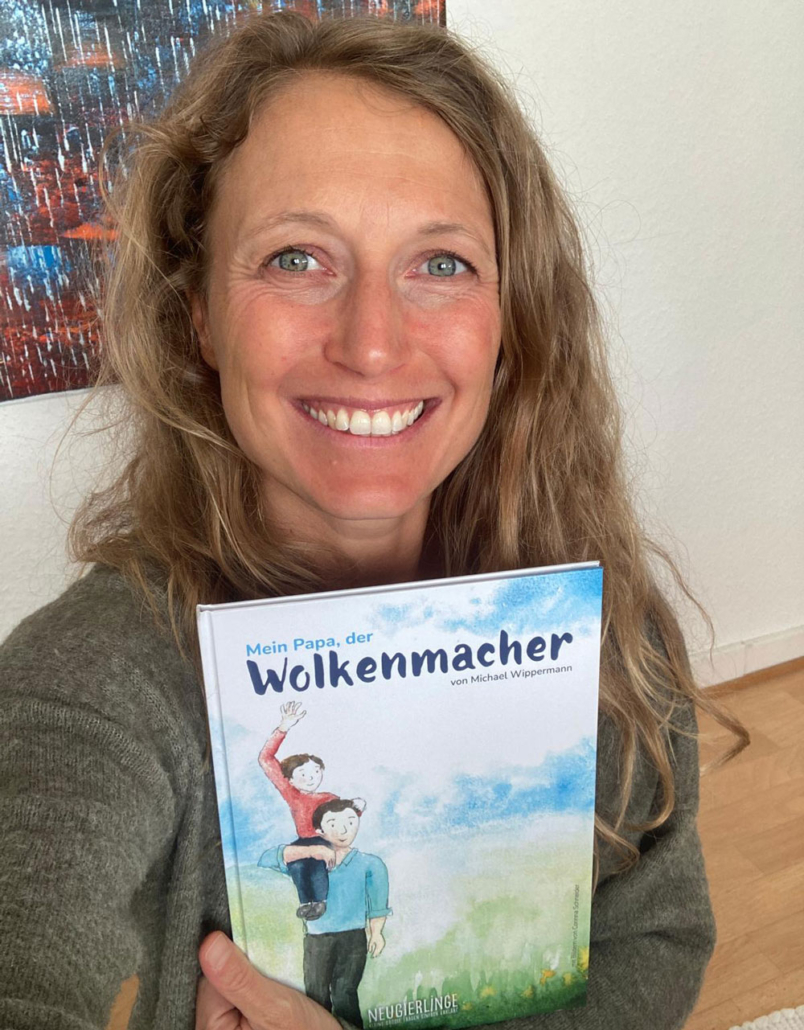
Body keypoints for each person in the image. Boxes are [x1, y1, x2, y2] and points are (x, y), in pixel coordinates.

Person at [0, 10, 748, 1030]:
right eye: (296, 258)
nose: (373, 345)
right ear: (199, 314)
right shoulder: (99, 677)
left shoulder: (610, 632)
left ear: (511, 320)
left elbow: (652, 939)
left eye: (440, 263)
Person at [258, 798, 391, 1028]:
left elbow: (377, 903)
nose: (343, 830)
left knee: (345, 994)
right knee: (316, 996)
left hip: (353, 939)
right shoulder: (308, 863)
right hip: (317, 940)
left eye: (350, 822)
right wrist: (313, 850)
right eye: (333, 824)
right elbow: (266, 859)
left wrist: (377, 933)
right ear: (319, 830)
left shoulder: (370, 864)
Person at [258, 701, 367, 920]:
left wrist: (357, 807)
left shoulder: (329, 798)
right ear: (290, 779)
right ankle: (305, 902)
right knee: (297, 866)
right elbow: (265, 759)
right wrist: (283, 727)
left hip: (324, 839)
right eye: (303, 774)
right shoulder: (292, 794)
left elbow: (345, 815)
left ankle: (320, 901)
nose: (311, 778)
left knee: (318, 864)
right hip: (303, 841)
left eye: (316, 772)